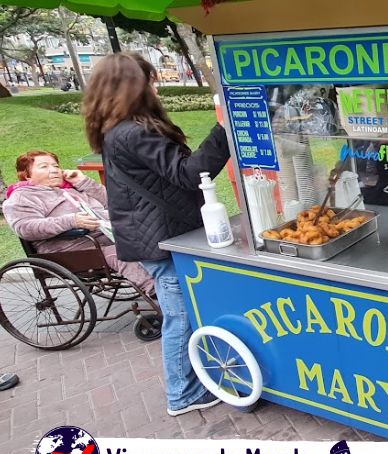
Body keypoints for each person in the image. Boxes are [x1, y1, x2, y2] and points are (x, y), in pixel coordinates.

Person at [82, 52, 231, 417]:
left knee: (183, 311)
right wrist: (225, 128)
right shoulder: (133, 133)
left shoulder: (117, 130)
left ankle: (193, 379)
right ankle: (182, 393)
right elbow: (190, 172)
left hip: (153, 235)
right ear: (134, 87)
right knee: (180, 315)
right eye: (149, 80)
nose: (155, 87)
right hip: (159, 240)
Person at [2, 151, 155, 295]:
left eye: (56, 166)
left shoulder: (71, 188)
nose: (54, 170)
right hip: (69, 248)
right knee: (123, 252)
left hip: (105, 235)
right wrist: (72, 221)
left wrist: (84, 182)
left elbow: (117, 204)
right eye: (44, 166)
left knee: (153, 236)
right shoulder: (22, 198)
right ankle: (159, 293)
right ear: (26, 175)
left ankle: (170, 282)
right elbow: (25, 228)